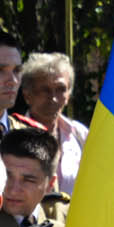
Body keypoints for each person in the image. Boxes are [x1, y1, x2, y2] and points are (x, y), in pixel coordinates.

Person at [18, 53, 90, 196]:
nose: (53, 98)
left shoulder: (79, 134)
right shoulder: (14, 133)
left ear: (69, 94)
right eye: (45, 90)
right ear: (27, 95)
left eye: (61, 89)